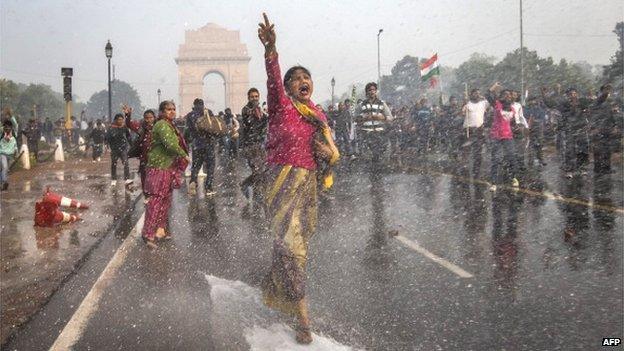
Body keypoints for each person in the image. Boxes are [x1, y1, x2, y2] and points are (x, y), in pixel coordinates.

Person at [258, 13, 337, 344]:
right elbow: (273, 80)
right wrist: (271, 50)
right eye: (297, 78)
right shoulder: (281, 107)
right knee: (291, 248)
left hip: (307, 189)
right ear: (288, 88)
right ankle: (303, 319)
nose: (303, 80)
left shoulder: (318, 115)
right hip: (282, 184)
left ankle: (280, 290)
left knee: (294, 249)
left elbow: (333, 155)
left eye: (307, 77)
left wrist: (326, 152)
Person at [141, 100, 189, 249]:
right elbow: (170, 144)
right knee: (156, 201)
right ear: (161, 112)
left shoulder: (170, 125)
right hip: (159, 167)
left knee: (165, 201)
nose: (172, 111)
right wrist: (184, 154)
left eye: (174, 109)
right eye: (168, 109)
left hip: (168, 167)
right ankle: (148, 233)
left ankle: (159, 230)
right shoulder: (162, 125)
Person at [486, 83, 521, 191]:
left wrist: (517, 128)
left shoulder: (513, 109)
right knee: (496, 158)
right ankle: (493, 182)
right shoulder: (497, 104)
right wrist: (494, 86)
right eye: (505, 94)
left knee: (511, 157)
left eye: (509, 95)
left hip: (508, 136)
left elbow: (513, 123)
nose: (507, 96)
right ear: (501, 96)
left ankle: (514, 178)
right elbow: (488, 94)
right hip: (496, 135)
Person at [240, 87, 268, 203]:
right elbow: (249, 118)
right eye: (252, 97)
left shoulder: (260, 110)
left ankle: (245, 184)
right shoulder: (246, 109)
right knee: (257, 170)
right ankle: (258, 195)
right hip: (250, 145)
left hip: (260, 144)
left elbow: (264, 122)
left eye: (256, 96)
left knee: (263, 170)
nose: (254, 98)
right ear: (248, 97)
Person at [356, 82, 393, 165]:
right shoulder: (361, 105)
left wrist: (381, 117)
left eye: (374, 90)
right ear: (367, 92)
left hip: (380, 133)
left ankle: (377, 167)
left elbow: (390, 117)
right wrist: (364, 118)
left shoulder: (382, 103)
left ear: (376, 91)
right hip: (367, 133)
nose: (372, 91)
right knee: (371, 155)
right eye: (370, 90)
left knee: (380, 153)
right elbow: (355, 118)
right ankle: (373, 168)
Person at [185, 98, 217, 196]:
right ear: (203, 104)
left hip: (197, 144)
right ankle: (208, 188)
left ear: (194, 105)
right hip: (208, 144)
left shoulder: (190, 115)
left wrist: (189, 139)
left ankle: (193, 182)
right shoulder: (208, 112)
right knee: (210, 166)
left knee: (196, 165)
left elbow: (189, 130)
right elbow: (214, 127)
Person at [590, 84, 621, 175]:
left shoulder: (609, 102)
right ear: (602, 90)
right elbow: (593, 114)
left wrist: (615, 125)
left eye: (609, 90)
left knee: (607, 149)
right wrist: (594, 127)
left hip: (607, 128)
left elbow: (611, 115)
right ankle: (597, 168)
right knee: (598, 149)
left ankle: (607, 168)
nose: (608, 91)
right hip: (598, 128)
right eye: (606, 89)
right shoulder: (598, 101)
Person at [124, 105, 156, 193]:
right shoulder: (141, 128)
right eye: (146, 118)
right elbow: (129, 124)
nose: (149, 120)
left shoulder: (158, 127)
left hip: (156, 157)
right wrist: (127, 115)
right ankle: (146, 193)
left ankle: (155, 193)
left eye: (151, 117)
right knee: (144, 175)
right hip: (144, 156)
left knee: (156, 176)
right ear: (144, 118)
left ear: (154, 118)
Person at [461, 89, 490, 178]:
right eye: (475, 94)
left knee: (478, 151)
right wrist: (464, 104)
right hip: (468, 129)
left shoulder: (483, 103)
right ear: (471, 95)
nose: (477, 95)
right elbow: (462, 113)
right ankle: (464, 165)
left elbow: (490, 101)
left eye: (478, 93)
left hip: (479, 130)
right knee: (467, 149)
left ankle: (477, 168)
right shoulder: (467, 104)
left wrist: (483, 97)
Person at [105, 113, 132, 187]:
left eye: (122, 119)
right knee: (114, 163)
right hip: (114, 149)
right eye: (119, 119)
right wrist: (107, 144)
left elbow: (128, 136)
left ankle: (127, 179)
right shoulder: (111, 128)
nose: (121, 121)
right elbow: (107, 138)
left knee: (125, 163)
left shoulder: (124, 127)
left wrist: (131, 145)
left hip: (123, 148)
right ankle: (114, 179)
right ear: (116, 120)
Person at [524, 96, 547, 167]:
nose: (533, 102)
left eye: (534, 100)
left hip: (538, 128)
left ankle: (541, 159)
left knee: (539, 144)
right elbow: (525, 118)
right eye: (531, 100)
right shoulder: (526, 109)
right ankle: (531, 160)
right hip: (529, 128)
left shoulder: (539, 108)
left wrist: (536, 121)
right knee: (531, 144)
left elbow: (542, 118)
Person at [0, 120, 18, 191]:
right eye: (6, 127)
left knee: (6, 170)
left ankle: (2, 182)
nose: (7, 128)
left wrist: (16, 152)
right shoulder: (1, 134)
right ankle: (5, 182)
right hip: (2, 154)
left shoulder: (13, 134)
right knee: (4, 167)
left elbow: (15, 144)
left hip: (11, 155)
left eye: (9, 127)